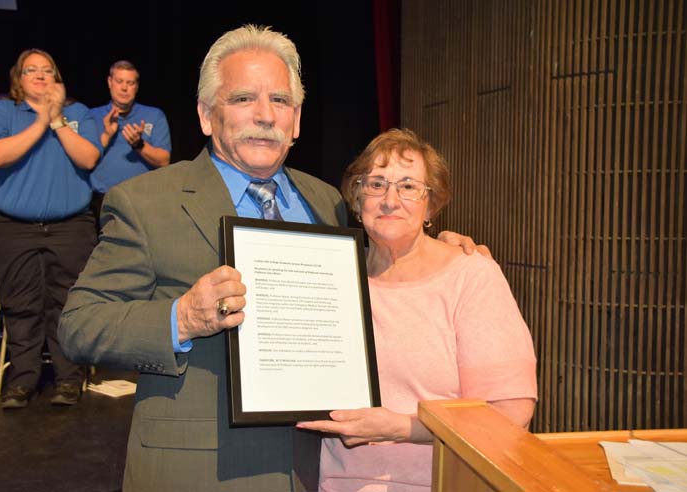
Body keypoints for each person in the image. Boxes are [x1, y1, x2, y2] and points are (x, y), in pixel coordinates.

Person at [59, 26, 479, 492]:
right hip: (197, 470)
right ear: (205, 115)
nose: (264, 115)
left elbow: (374, 277)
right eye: (242, 99)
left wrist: (437, 248)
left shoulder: (328, 202)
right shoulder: (144, 201)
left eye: (280, 100)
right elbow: (80, 325)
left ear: (296, 120)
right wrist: (181, 318)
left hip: (312, 468)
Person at [296, 128, 538, 491]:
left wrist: (400, 427)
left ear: (431, 203)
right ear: (357, 198)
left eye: (408, 186)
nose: (391, 199)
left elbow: (508, 415)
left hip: (441, 482)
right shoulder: (332, 276)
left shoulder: (470, 276)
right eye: (376, 184)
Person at [0, 48, 101, 409]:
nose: (40, 75)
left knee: (68, 304)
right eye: (31, 70)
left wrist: (58, 119)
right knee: (21, 305)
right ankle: (23, 380)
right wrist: (39, 121)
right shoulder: (3, 111)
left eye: (48, 70)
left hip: (70, 228)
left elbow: (89, 158)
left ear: (57, 79)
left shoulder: (78, 114)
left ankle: (68, 379)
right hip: (14, 228)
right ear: (19, 78)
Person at [89, 60, 171, 227]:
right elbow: (85, 160)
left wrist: (139, 144)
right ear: (110, 82)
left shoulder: (154, 115)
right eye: (119, 82)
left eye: (130, 83)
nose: (124, 88)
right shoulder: (91, 116)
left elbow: (164, 160)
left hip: (143, 199)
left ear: (136, 86)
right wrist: (106, 134)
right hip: (102, 200)